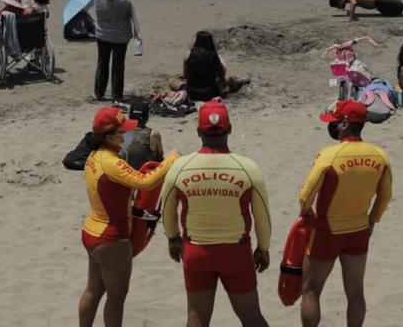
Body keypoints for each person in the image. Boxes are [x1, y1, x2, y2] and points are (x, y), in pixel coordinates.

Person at [160, 99, 271, 327]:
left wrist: (173, 238)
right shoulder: (248, 168)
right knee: (251, 317)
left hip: (195, 251)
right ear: (229, 129)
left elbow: (166, 210)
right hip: (236, 253)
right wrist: (263, 248)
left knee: (196, 318)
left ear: (198, 131)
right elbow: (263, 217)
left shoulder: (179, 167)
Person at [79, 106, 179, 327]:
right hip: (112, 239)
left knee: (92, 291)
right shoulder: (112, 163)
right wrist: (170, 160)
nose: (127, 135)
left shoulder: (93, 156)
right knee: (116, 299)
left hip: (90, 231)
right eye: (123, 132)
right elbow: (145, 182)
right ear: (110, 135)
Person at [300, 100, 392, 327]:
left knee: (311, 291)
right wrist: (372, 220)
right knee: (355, 293)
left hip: (327, 230)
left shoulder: (328, 156)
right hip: (359, 229)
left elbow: (306, 194)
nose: (331, 126)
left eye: (334, 121)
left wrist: (307, 212)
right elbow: (385, 196)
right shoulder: (380, 156)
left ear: (343, 125)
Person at [94, 0, 140, 101]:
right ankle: (116, 94)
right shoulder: (124, 1)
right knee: (118, 66)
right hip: (120, 37)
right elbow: (132, 19)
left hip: (102, 34)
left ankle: (99, 92)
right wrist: (138, 38)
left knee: (102, 63)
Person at [173, 31, 251, 101]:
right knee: (229, 80)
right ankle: (240, 81)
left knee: (172, 82)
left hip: (192, 93)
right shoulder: (214, 56)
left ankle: (239, 81)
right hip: (210, 93)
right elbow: (222, 73)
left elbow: (185, 75)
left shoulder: (188, 54)